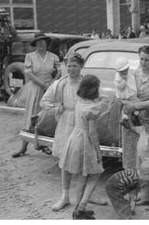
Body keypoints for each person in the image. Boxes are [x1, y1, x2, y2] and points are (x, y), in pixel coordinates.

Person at [58, 74, 110, 219]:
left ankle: (78, 209)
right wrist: (98, 152)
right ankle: (81, 207)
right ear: (94, 89)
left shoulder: (80, 102)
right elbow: (93, 133)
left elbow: (103, 100)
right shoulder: (92, 109)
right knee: (96, 173)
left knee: (82, 175)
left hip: (75, 138)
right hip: (85, 141)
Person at [40, 53, 84, 211]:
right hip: (66, 122)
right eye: (69, 66)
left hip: (82, 122)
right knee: (65, 161)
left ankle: (84, 196)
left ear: (81, 66)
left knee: (82, 158)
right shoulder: (60, 83)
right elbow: (44, 101)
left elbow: (97, 99)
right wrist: (55, 108)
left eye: (75, 66)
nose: (72, 69)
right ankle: (65, 196)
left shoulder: (86, 82)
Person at [12, 32, 60, 158]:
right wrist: (43, 85)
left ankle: (44, 144)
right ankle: (23, 147)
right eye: (38, 42)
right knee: (31, 115)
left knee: (47, 116)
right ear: (35, 44)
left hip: (50, 89)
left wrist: (52, 84)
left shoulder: (53, 56)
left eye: (43, 42)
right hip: (35, 88)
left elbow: (60, 72)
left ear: (46, 43)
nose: (41, 45)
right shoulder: (30, 56)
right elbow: (28, 73)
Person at [120, 45, 149, 171]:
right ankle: (132, 182)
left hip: (148, 120)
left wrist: (135, 105)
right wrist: (126, 103)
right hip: (132, 118)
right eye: (141, 59)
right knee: (132, 150)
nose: (143, 63)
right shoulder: (132, 74)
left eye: (146, 60)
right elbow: (122, 92)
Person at [114, 57, 139, 125]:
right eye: (121, 71)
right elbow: (120, 87)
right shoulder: (118, 77)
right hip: (125, 95)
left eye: (126, 70)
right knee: (126, 107)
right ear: (117, 71)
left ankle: (135, 115)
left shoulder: (130, 72)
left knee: (135, 104)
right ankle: (125, 119)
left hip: (132, 93)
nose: (124, 72)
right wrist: (124, 80)